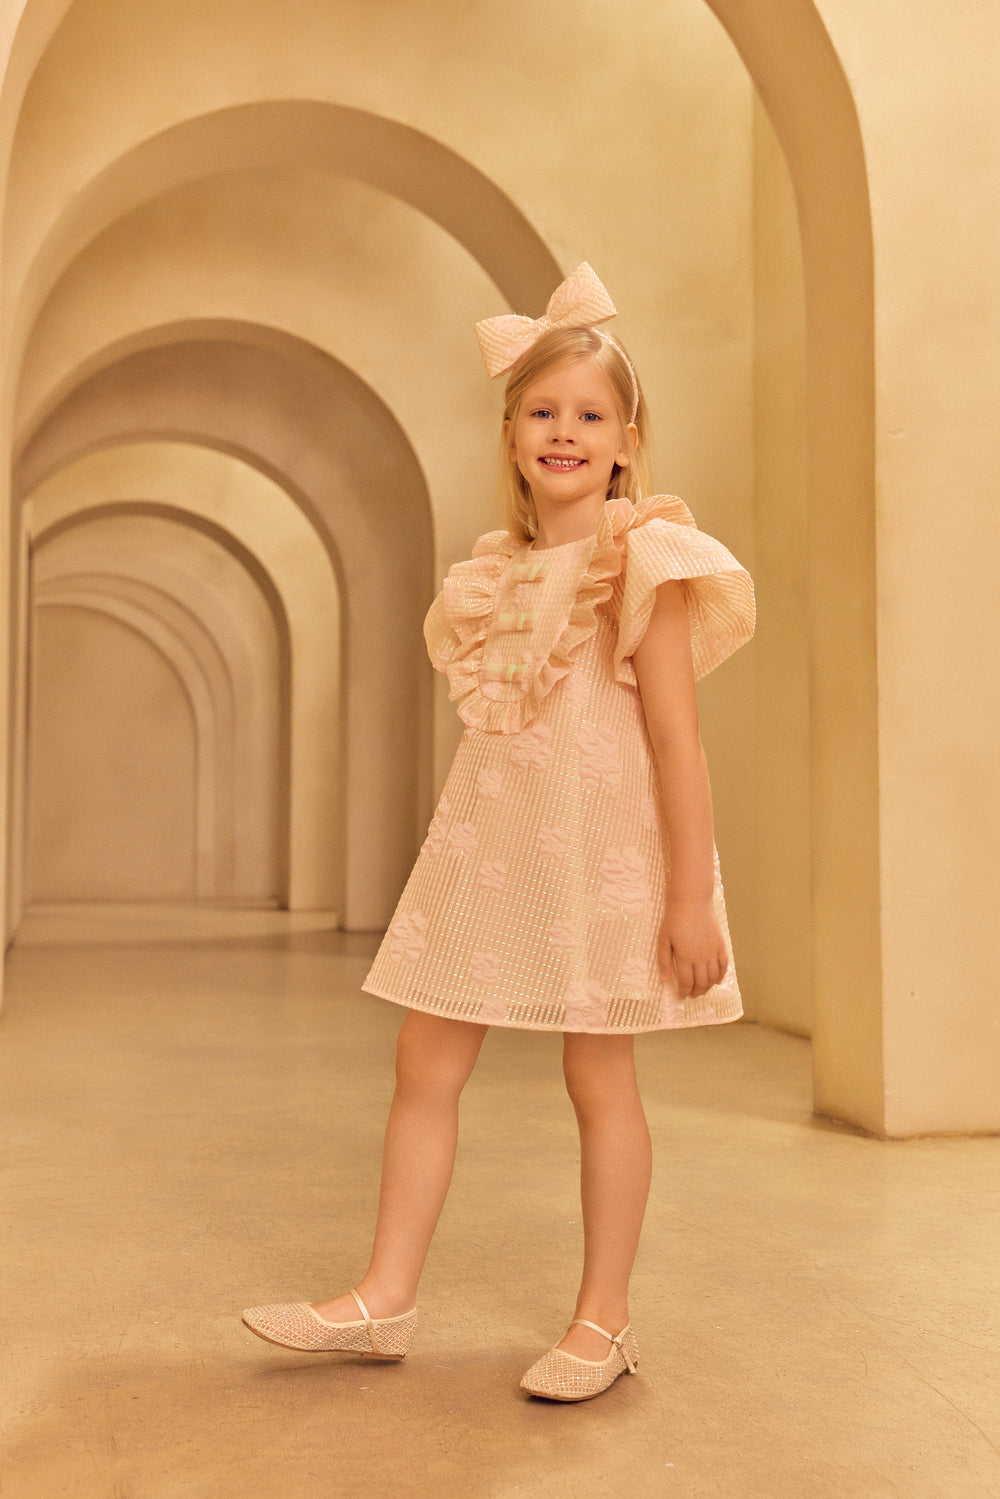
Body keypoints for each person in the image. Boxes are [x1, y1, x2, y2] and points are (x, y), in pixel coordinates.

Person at [242, 264, 755, 1402]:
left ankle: (602, 1317)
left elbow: (677, 742)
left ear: (626, 440)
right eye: (541, 411)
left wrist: (684, 897)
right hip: (491, 847)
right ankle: (384, 1291)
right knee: (423, 1056)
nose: (562, 431)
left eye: (587, 415)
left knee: (597, 1072)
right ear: (512, 432)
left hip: (597, 851)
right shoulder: (494, 574)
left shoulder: (645, 558)